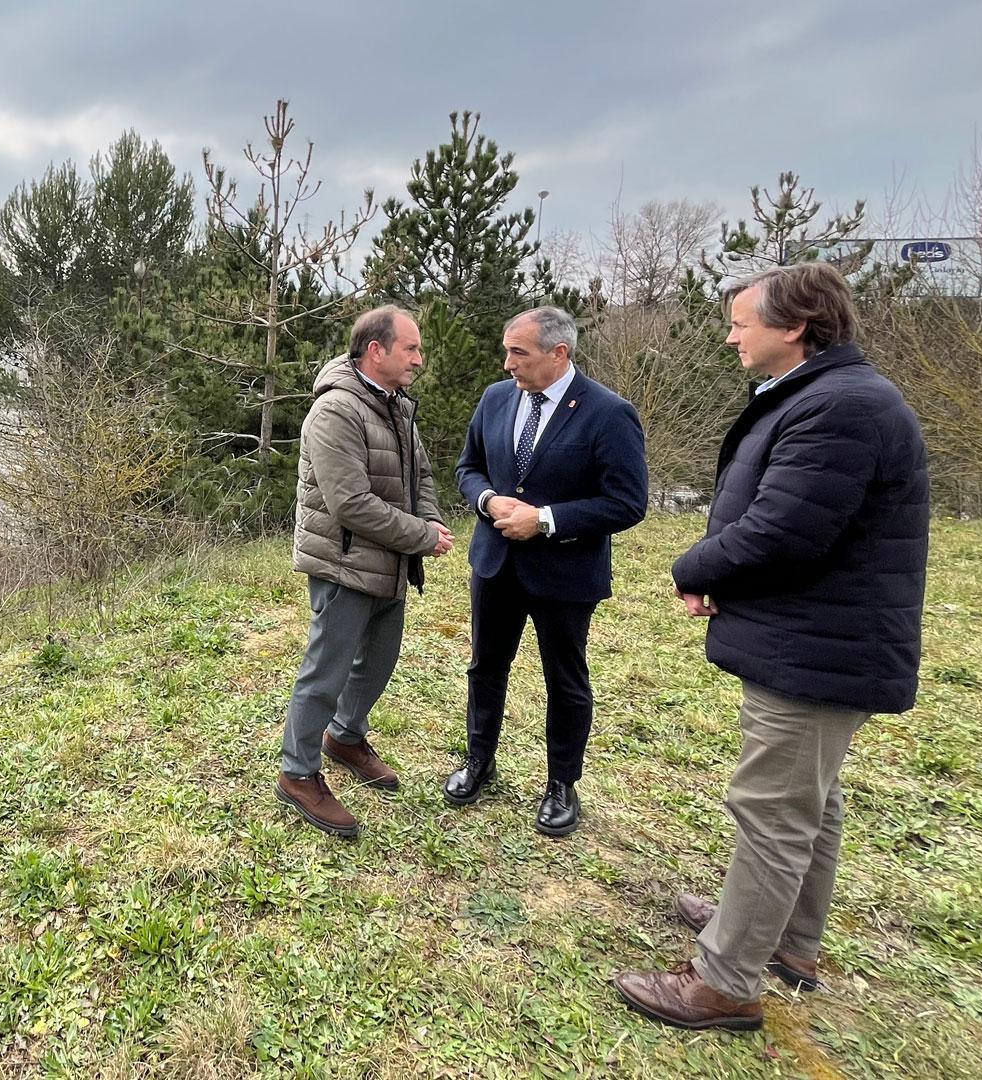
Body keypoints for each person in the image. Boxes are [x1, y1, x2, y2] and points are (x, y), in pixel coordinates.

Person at [613, 262, 929, 1032]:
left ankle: (723, 982)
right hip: (819, 634)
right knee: (806, 802)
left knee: (772, 810)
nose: (729, 336)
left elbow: (785, 530)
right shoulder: (828, 396)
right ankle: (788, 939)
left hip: (820, 644)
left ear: (794, 327)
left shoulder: (840, 407)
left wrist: (695, 567)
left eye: (741, 323)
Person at [445, 306, 647, 836]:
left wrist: (547, 520)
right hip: (495, 563)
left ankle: (562, 783)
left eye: (519, 352)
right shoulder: (495, 398)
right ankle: (479, 760)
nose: (507, 363)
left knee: (565, 678)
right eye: (507, 350)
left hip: (565, 572)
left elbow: (627, 503)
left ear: (560, 353)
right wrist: (487, 501)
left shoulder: (608, 413)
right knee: (486, 666)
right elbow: (468, 468)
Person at [278, 304, 454, 839]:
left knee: (377, 662)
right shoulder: (336, 411)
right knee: (325, 672)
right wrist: (423, 536)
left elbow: (419, 472)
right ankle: (298, 772)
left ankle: (346, 738)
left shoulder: (396, 404)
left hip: (388, 563)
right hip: (343, 563)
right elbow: (349, 503)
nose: (419, 359)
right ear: (375, 350)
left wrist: (432, 518)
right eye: (411, 349)